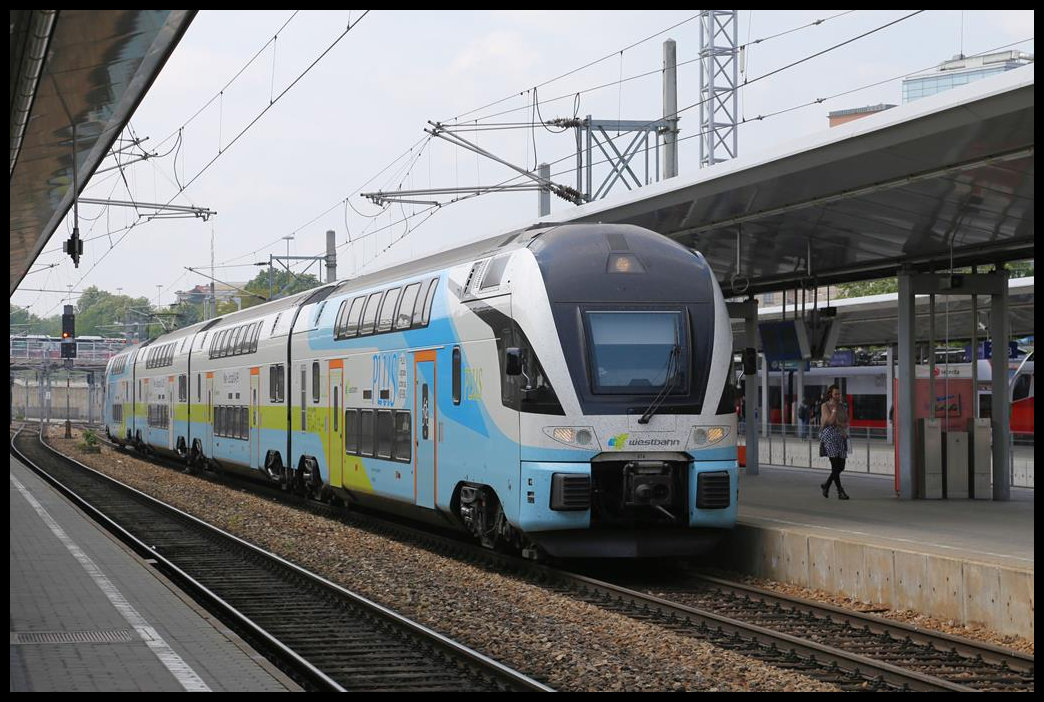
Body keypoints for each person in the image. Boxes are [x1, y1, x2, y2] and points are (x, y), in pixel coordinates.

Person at [818, 384, 850, 500]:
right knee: (835, 465)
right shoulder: (825, 406)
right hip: (829, 436)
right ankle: (840, 491)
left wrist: (841, 424)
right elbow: (830, 422)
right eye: (836, 394)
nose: (838, 396)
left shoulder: (843, 406)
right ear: (830, 394)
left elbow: (846, 421)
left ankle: (826, 485)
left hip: (841, 436)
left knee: (841, 466)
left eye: (839, 394)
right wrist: (835, 409)